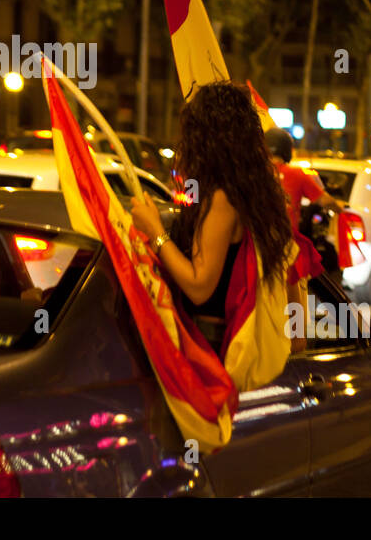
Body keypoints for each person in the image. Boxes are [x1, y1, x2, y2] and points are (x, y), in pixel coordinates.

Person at [130, 82, 306, 357]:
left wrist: (154, 229)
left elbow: (199, 287)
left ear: (204, 138)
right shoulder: (258, 195)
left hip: (210, 351)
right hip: (236, 350)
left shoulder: (223, 198)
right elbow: (291, 281)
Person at [263, 127, 343, 233]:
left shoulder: (251, 173)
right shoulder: (297, 174)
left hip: (254, 242)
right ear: (287, 149)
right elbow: (325, 201)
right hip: (286, 242)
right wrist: (340, 208)